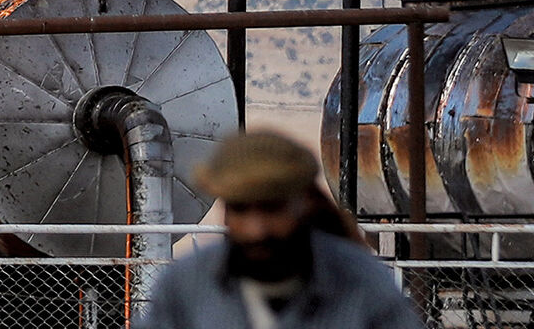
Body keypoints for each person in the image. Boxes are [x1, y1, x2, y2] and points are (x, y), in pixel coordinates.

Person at [137, 130, 422, 329]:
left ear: (302, 205)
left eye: (271, 209)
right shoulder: (186, 286)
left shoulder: (362, 286)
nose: (256, 230)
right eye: (241, 209)